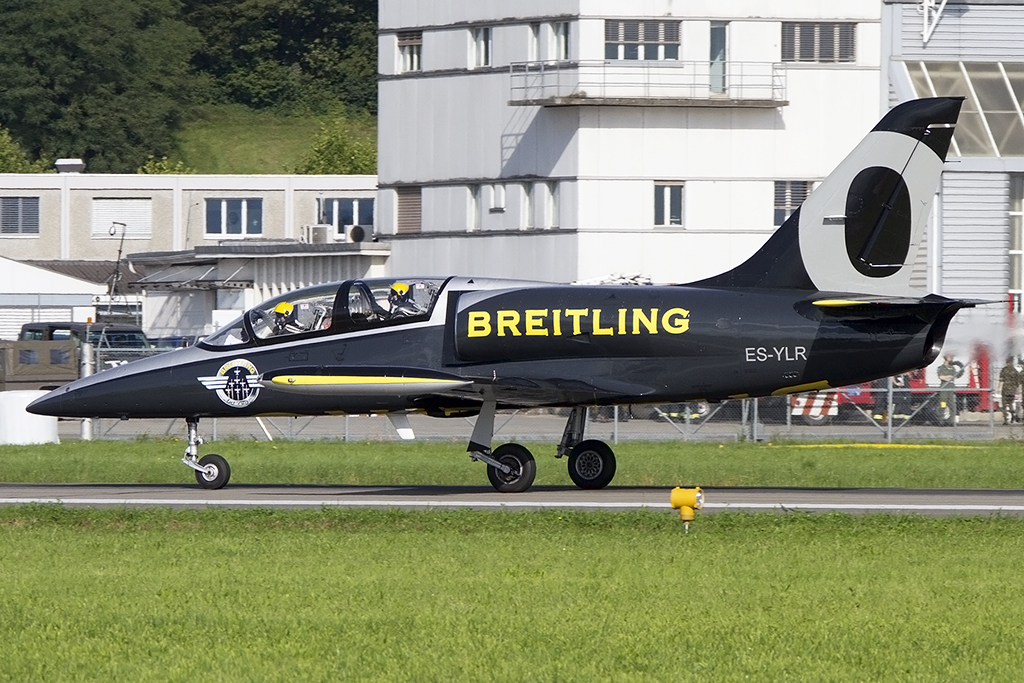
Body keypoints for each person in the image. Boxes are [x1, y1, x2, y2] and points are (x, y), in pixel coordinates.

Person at [936, 354, 965, 424]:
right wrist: (949, 377)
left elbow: (954, 377)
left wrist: (949, 377)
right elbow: (941, 377)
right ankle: (941, 421)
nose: (951, 358)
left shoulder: (952, 368)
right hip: (944, 389)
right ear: (945, 358)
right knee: (943, 404)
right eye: (950, 356)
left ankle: (951, 421)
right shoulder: (940, 368)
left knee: (952, 405)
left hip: (951, 389)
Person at [999, 357, 1021, 424]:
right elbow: (1018, 382)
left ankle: (1006, 419)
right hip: (1012, 390)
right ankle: (1013, 416)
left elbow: (1001, 380)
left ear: (1006, 362)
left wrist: (998, 389)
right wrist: (1014, 387)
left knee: (1004, 405)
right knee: (1011, 404)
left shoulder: (1004, 370)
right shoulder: (1015, 371)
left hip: (1005, 389)